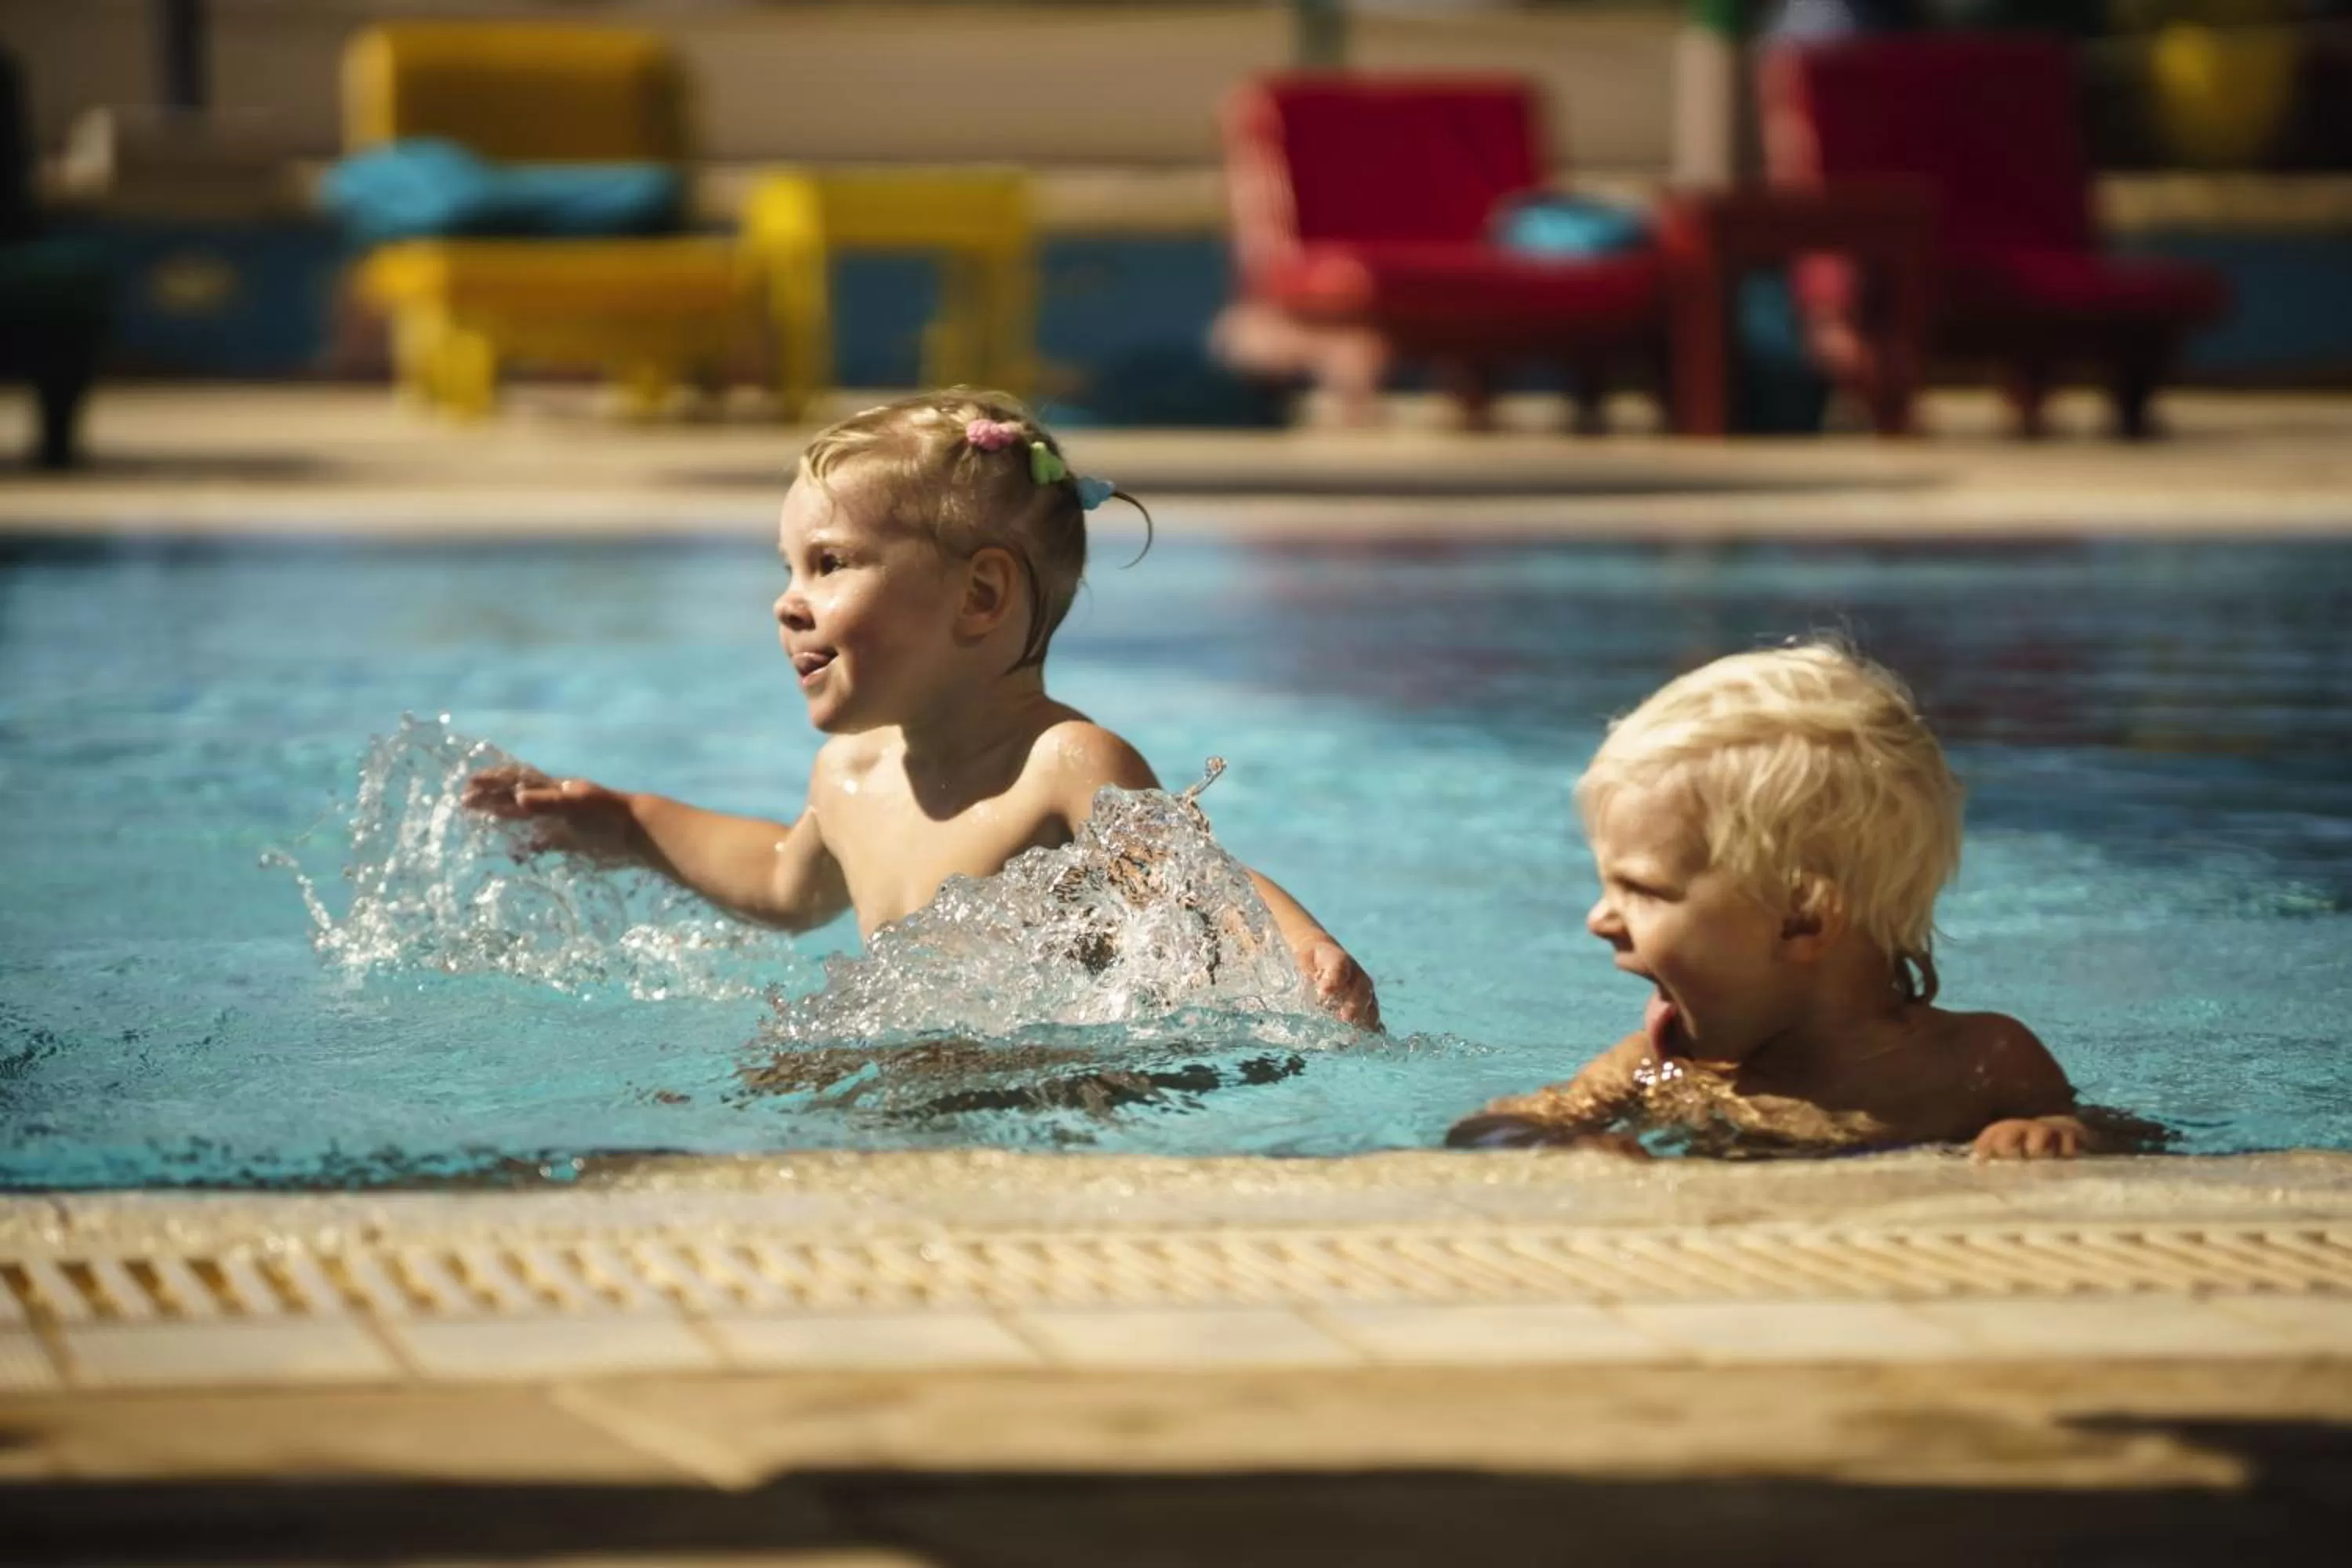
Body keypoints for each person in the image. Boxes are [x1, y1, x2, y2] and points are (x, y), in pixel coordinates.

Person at [463, 389, 1378, 1027]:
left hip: (1058, 1099)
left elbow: (1202, 884)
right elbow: (784, 883)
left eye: (829, 563)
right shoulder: (849, 776)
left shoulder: (1063, 765)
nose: (787, 601)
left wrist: (1304, 946)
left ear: (979, 595)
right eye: (787, 567)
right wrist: (629, 821)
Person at [1448, 641, 2113, 1159]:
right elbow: (1491, 1128)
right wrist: (1561, 1147)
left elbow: (2125, 1142)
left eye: (1640, 889)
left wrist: (2054, 1133)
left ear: (1801, 919)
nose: (1599, 919)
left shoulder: (1980, 1063)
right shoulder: (1662, 1069)